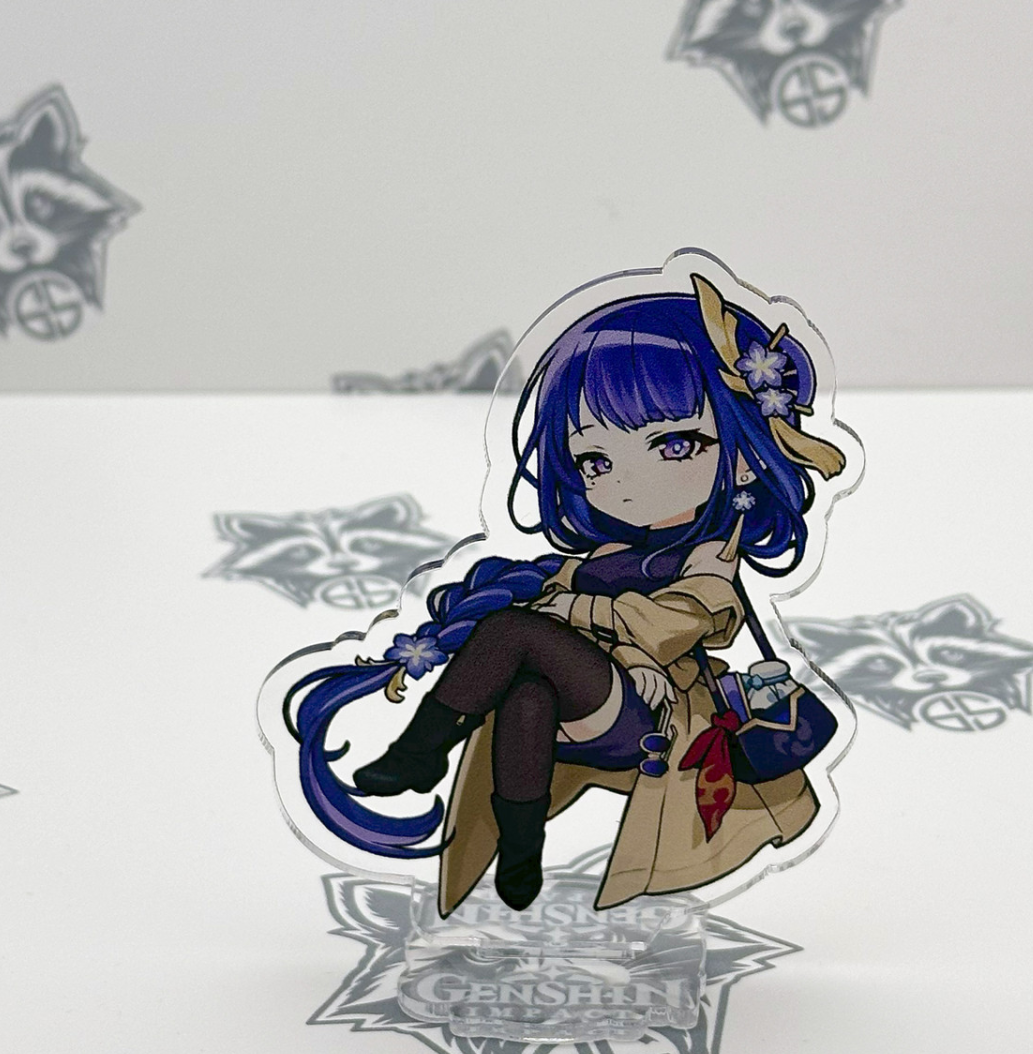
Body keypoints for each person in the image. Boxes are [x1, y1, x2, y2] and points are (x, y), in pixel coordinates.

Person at [285, 272, 847, 916]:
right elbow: (564, 621)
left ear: (743, 456)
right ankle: (521, 849)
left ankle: (418, 751)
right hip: (589, 706)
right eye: (595, 461)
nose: (626, 481)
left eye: (674, 445)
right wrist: (581, 625)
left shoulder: (710, 558)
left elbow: (671, 624)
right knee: (526, 697)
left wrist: (579, 616)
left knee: (514, 632)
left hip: (656, 718)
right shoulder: (596, 558)